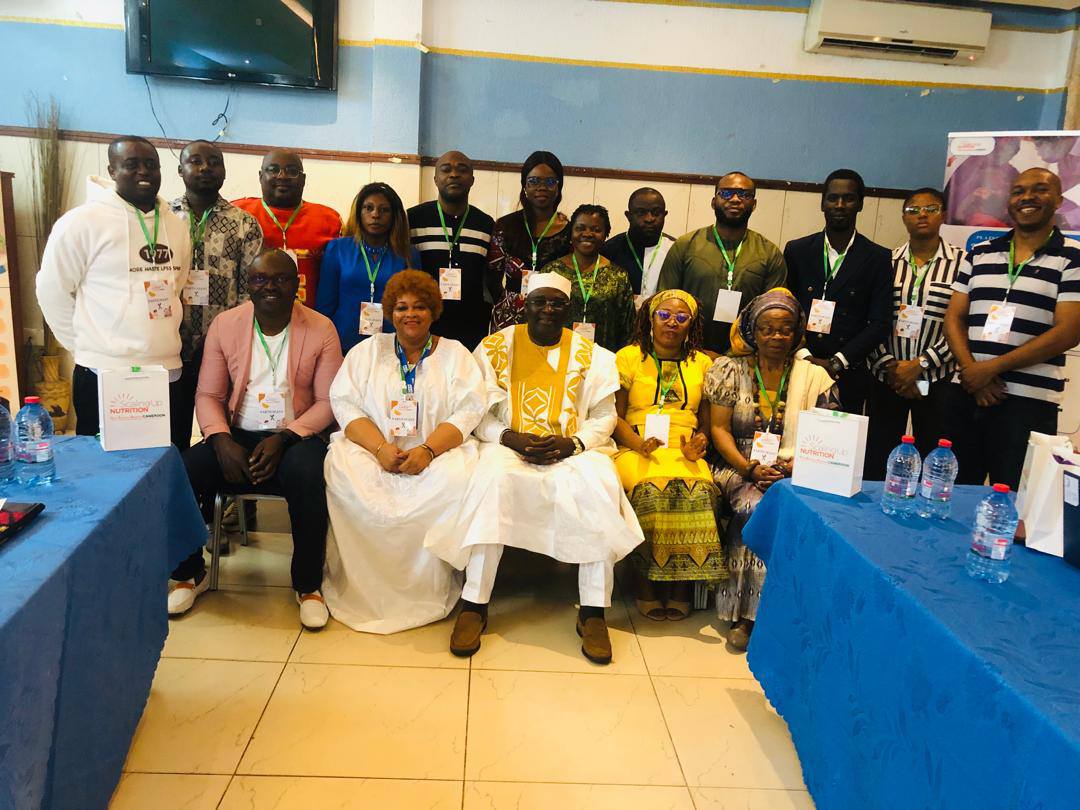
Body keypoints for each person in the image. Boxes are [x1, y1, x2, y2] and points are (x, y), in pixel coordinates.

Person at [426, 273, 643, 665]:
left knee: (600, 485)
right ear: (524, 305)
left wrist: (573, 444)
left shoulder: (592, 355)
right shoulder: (494, 348)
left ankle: (593, 611)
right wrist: (510, 437)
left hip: (572, 448)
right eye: (540, 301)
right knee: (490, 481)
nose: (548, 310)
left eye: (557, 303)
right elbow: (476, 412)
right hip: (508, 445)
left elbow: (604, 416)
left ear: (568, 308)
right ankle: (475, 604)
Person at [166, 250, 344, 629]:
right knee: (182, 471)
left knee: (309, 476)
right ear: (248, 285)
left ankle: (308, 586)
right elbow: (208, 395)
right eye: (260, 279)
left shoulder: (321, 328)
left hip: (296, 435)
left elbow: (329, 402)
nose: (270, 287)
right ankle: (189, 574)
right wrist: (220, 439)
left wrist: (287, 438)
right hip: (237, 434)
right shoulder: (226, 325)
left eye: (281, 279)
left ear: (296, 285)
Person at [321, 271, 487, 633]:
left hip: (436, 452)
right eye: (401, 307)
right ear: (390, 312)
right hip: (375, 450)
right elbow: (345, 404)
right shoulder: (367, 352)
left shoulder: (456, 355)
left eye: (420, 307)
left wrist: (427, 450)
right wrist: (380, 449)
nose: (410, 314)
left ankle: (426, 592)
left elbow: (469, 411)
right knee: (343, 470)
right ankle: (362, 592)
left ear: (434, 311)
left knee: (457, 478)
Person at [37, 135, 193, 447]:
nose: (143, 172)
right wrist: (87, 346)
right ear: (112, 171)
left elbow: (177, 284)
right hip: (103, 372)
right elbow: (51, 292)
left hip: (166, 370)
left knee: (167, 460)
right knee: (103, 464)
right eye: (131, 165)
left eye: (151, 165)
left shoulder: (176, 226)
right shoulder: (81, 222)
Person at [705, 289, 839, 651]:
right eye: (767, 329)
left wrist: (798, 464)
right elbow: (719, 430)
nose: (776, 336)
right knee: (756, 506)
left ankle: (786, 610)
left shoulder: (816, 377)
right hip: (737, 463)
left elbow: (829, 433)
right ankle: (748, 615)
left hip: (797, 467)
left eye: (785, 329)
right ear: (753, 331)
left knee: (798, 509)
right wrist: (748, 468)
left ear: (797, 333)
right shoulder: (730, 369)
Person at [944, 168, 1080, 489]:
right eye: (1018, 191)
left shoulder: (1072, 258)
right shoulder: (980, 253)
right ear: (1009, 201)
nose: (1027, 197)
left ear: (1058, 200)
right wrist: (972, 372)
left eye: (1040, 189)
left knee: (1015, 497)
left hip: (1028, 403)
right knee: (953, 493)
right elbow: (953, 318)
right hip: (967, 393)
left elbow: (1069, 331)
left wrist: (990, 369)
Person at [613, 290, 724, 621]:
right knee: (651, 491)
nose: (671, 323)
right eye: (664, 315)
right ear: (651, 318)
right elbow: (614, 417)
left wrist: (698, 443)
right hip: (635, 444)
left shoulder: (702, 363)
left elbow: (705, 423)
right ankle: (645, 582)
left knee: (700, 491)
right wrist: (637, 443)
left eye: (681, 317)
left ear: (692, 324)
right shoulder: (629, 357)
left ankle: (681, 586)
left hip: (683, 448)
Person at [170, 140, 264, 450]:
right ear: (180, 170)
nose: (205, 168)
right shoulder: (163, 218)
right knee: (171, 433)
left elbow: (250, 291)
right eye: (195, 161)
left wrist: (226, 339)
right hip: (169, 343)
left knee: (220, 432)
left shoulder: (244, 224)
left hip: (222, 347)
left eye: (214, 162)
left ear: (224, 171)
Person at [865, 188, 965, 479]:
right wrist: (893, 367)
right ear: (903, 217)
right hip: (888, 377)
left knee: (932, 453)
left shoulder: (962, 264)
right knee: (878, 454)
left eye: (931, 209)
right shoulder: (885, 262)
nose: (922, 215)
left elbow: (962, 324)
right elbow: (870, 318)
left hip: (934, 378)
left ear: (943, 215)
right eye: (913, 210)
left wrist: (919, 366)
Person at [784, 169, 892, 415]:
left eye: (849, 198)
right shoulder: (798, 250)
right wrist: (803, 355)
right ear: (823, 203)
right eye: (833, 198)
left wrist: (837, 362)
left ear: (860, 204)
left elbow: (880, 322)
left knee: (839, 437)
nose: (840, 205)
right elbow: (787, 309)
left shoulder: (878, 258)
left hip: (849, 372)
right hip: (799, 364)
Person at [658, 173, 786, 354]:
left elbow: (772, 316)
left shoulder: (769, 253)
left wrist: (736, 354)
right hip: (688, 355)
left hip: (745, 358)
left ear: (754, 204)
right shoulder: (686, 245)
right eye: (726, 193)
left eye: (744, 194)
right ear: (713, 202)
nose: (735, 199)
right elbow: (664, 302)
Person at [316, 182, 420, 353]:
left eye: (384, 210)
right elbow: (325, 306)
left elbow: (414, 306)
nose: (375, 215)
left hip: (392, 345)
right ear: (359, 212)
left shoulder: (408, 254)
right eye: (368, 208)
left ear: (394, 216)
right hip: (342, 344)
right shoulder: (338, 249)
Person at [408, 151, 495, 349]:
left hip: (472, 329)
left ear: (472, 180)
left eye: (461, 170)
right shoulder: (413, 219)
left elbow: (490, 277)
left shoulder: (485, 224)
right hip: (424, 326)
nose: (454, 174)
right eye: (446, 170)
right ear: (435, 179)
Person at [233, 149, 342, 306]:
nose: (282, 176)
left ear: (303, 179)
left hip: (311, 316)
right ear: (260, 176)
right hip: (251, 314)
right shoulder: (239, 215)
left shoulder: (329, 219)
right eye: (273, 170)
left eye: (292, 171)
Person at [488, 151, 572, 331]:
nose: (542, 187)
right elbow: (492, 277)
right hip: (509, 318)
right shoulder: (505, 226)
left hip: (552, 318)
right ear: (524, 186)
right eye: (534, 181)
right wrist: (509, 303)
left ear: (558, 187)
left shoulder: (570, 232)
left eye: (550, 182)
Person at [539, 204, 636, 352]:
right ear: (571, 232)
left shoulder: (618, 276)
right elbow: (538, 317)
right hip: (557, 354)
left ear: (606, 234)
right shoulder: (552, 271)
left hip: (603, 357)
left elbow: (627, 328)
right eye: (580, 228)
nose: (587, 234)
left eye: (596, 230)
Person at [601, 187, 675, 303]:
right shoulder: (608, 250)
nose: (649, 219)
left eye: (656, 213)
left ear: (664, 215)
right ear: (628, 216)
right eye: (641, 213)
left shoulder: (676, 250)